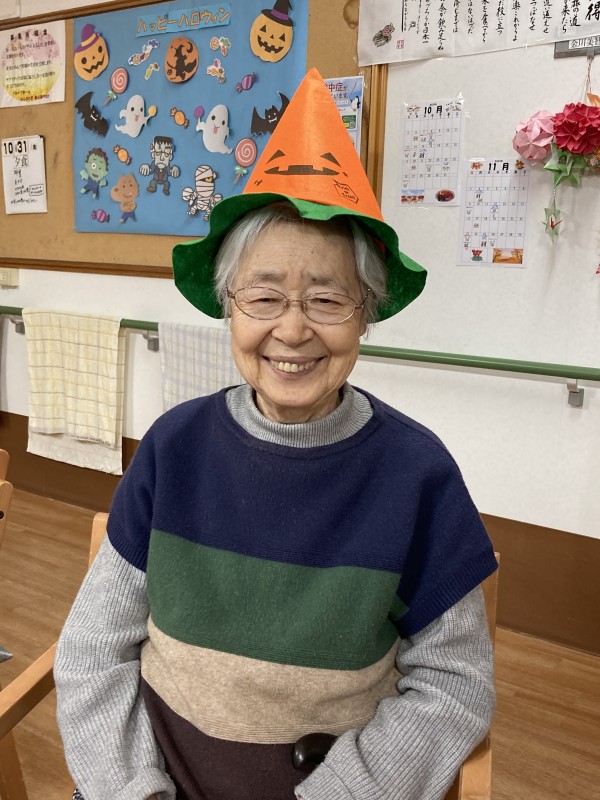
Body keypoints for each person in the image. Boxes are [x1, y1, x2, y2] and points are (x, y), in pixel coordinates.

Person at [55, 69, 498, 800]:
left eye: (327, 299)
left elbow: (455, 683)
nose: (291, 330)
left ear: (365, 315)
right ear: (229, 307)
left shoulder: (415, 472)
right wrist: (134, 789)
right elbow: (93, 649)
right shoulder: (173, 449)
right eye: (263, 297)